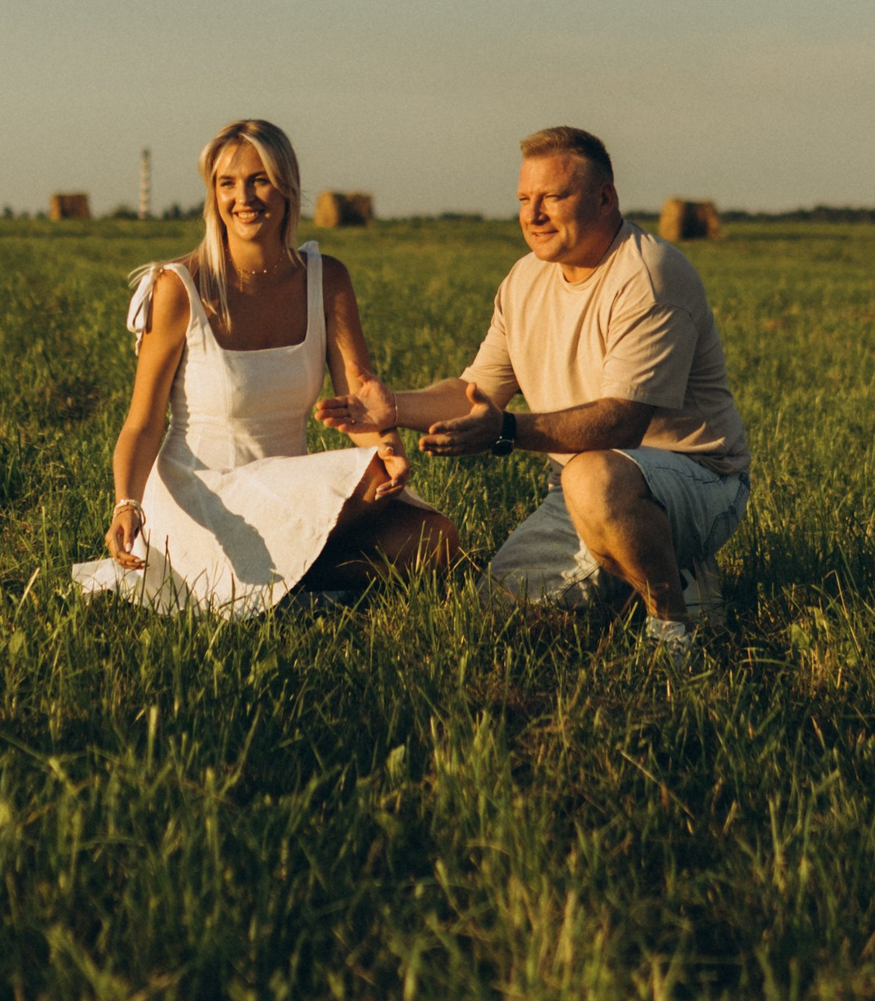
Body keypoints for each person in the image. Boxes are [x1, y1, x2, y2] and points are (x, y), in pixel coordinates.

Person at [320, 126, 750, 667]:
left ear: (605, 198)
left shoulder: (649, 273)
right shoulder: (525, 279)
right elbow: (474, 392)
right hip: (577, 493)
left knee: (593, 475)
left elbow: (622, 423)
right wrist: (395, 409)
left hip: (695, 477)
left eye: (554, 197)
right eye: (525, 199)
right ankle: (662, 569)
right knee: (496, 617)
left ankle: (671, 622)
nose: (534, 214)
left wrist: (503, 431)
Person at [73, 118, 460, 613]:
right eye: (227, 183)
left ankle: (277, 581)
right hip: (201, 496)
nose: (244, 197)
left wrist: (387, 450)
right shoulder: (178, 288)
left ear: (288, 187)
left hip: (284, 496)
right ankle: (264, 579)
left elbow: (359, 403)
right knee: (363, 483)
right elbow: (143, 422)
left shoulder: (328, 279)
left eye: (259, 180)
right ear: (212, 194)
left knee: (435, 537)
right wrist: (126, 504)